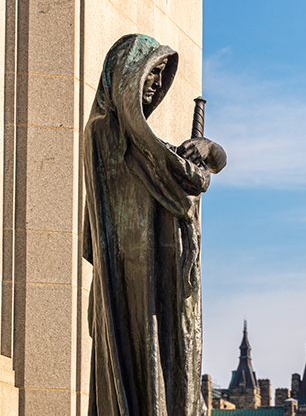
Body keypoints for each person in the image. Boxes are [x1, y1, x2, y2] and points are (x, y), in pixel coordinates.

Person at [83, 34, 225, 415]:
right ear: (129, 74)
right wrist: (204, 160)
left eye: (162, 75)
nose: (158, 84)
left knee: (169, 371)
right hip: (133, 285)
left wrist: (210, 151)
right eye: (153, 73)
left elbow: (194, 170)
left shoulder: (142, 142)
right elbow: (191, 182)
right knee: (145, 378)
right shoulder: (106, 133)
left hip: (160, 281)